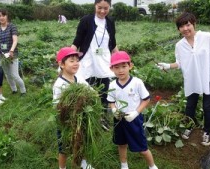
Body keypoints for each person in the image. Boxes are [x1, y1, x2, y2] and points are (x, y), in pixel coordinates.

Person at [156, 12, 210, 146]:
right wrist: (168, 65)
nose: (185, 29)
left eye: (188, 24)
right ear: (178, 29)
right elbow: (180, 63)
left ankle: (207, 132)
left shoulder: (207, 38)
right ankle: (190, 126)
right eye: (181, 26)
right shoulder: (180, 45)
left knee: (208, 106)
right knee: (190, 105)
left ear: (194, 24)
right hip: (192, 78)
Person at [71, 0, 119, 131]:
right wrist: (70, 56)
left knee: (104, 92)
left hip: (104, 62)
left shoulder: (110, 22)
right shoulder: (86, 20)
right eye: (99, 8)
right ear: (95, 6)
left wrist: (120, 59)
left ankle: (103, 118)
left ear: (109, 7)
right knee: (88, 91)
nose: (102, 11)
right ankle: (88, 118)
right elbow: (78, 39)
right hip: (88, 61)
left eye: (106, 8)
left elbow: (113, 43)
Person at [107, 51, 158, 169]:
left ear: (130, 66)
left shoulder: (137, 82)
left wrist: (135, 113)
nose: (121, 70)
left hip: (134, 118)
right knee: (121, 143)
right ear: (112, 69)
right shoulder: (113, 85)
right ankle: (124, 165)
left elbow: (146, 99)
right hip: (119, 118)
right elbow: (111, 101)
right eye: (117, 67)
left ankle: (152, 166)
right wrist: (114, 110)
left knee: (142, 147)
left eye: (124, 66)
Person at [53, 47, 93, 169]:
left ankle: (83, 162)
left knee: (82, 141)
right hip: (65, 121)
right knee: (64, 147)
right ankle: (62, 167)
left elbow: (90, 91)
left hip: (80, 118)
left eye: (77, 60)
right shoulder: (59, 84)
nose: (76, 63)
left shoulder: (78, 78)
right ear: (61, 64)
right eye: (71, 60)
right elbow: (57, 106)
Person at [0, 8, 26, 96]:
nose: (1, 17)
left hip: (12, 55)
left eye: (3, 15)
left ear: (7, 16)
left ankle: (23, 90)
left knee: (14, 75)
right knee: (8, 75)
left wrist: (11, 51)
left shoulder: (12, 26)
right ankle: (14, 89)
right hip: (2, 56)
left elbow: (15, 40)